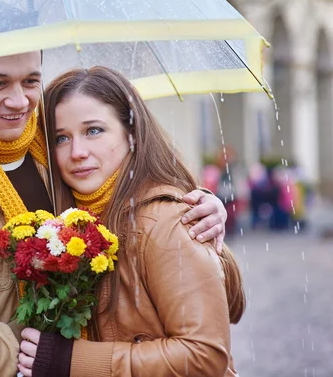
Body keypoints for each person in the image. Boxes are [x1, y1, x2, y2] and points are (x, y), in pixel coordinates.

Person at [0, 2, 229, 377]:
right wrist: (49, 341)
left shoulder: (58, 159)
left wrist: (203, 227)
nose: (19, 101)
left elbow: (209, 316)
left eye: (30, 81)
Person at [17, 67, 245, 377]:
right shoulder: (65, 223)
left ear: (131, 133)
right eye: (60, 138)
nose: (77, 152)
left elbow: (205, 355)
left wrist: (73, 361)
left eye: (93, 130)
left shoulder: (165, 221)